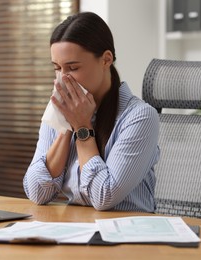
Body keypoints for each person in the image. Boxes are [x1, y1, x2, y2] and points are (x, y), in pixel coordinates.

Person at [23, 12, 160, 212]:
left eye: (72, 67)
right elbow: (37, 192)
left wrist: (82, 127)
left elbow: (104, 197)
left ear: (106, 59)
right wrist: (66, 124)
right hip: (77, 231)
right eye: (57, 68)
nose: (63, 79)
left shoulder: (140, 117)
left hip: (129, 235)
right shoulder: (60, 108)